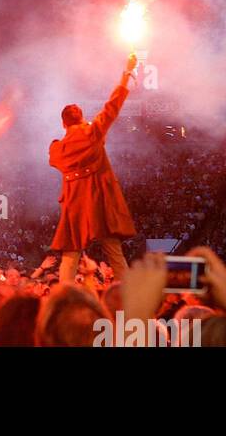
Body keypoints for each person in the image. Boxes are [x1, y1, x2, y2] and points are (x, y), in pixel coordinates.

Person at [49, 53, 138, 284]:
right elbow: (113, 106)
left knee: (70, 253)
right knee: (114, 251)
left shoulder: (57, 148)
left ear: (63, 123)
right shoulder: (92, 131)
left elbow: (55, 158)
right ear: (81, 118)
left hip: (75, 204)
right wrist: (126, 74)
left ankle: (65, 296)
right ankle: (127, 294)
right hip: (98, 199)